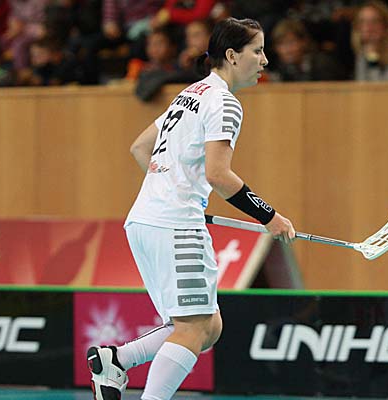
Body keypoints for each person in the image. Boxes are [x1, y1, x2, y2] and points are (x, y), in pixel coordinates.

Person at [86, 17, 296, 400]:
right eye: (257, 51)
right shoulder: (225, 103)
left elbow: (140, 148)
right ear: (232, 56)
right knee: (193, 328)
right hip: (175, 224)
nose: (265, 60)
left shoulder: (190, 93)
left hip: (145, 220)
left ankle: (115, 360)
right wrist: (270, 217)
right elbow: (218, 175)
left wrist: (173, 186)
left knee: (208, 326)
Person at [269, 18, 347, 81]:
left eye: (291, 42)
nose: (287, 50)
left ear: (304, 42)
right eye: (281, 44)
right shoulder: (282, 68)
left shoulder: (323, 65)